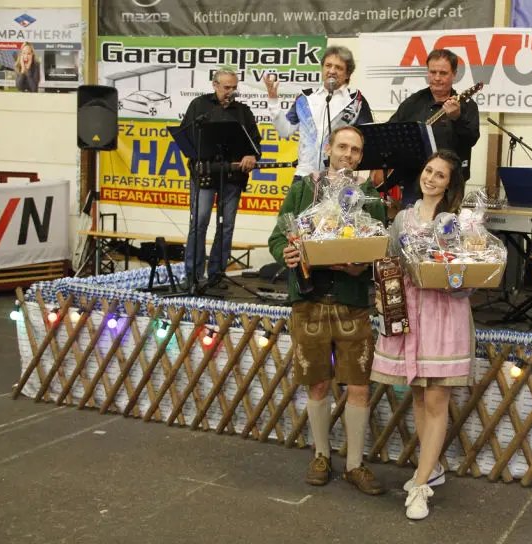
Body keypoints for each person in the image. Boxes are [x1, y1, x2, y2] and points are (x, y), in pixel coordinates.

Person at [267, 125, 387, 495]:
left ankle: (354, 464)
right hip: (309, 298)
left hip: (353, 302)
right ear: (329, 149)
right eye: (342, 147)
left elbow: (379, 250)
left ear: (360, 157)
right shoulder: (304, 188)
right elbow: (276, 237)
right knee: (317, 383)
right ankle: (321, 454)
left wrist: (361, 266)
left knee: (359, 386)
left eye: (355, 150)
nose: (348, 154)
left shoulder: (370, 197)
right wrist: (285, 253)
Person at [370, 149, 472, 520]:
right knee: (416, 392)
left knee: (436, 400)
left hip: (445, 315)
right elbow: (392, 266)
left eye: (440, 175)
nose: (431, 178)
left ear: (449, 185)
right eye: (428, 171)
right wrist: (385, 299)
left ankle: (421, 484)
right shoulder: (402, 219)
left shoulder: (457, 223)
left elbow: (467, 281)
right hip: (410, 313)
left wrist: (450, 281)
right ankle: (432, 467)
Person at [181, 69, 262, 289]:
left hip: (232, 175)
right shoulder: (199, 106)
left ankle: (217, 274)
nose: (231, 92)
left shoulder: (243, 111)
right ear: (215, 85)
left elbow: (255, 144)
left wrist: (251, 155)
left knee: (226, 226)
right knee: (199, 222)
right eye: (227, 87)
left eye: (234, 88)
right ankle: (193, 276)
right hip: (206, 173)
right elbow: (185, 137)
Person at [385, 49, 480, 206]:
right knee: (411, 226)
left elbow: (471, 139)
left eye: (443, 73)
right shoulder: (413, 103)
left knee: (444, 226)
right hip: (414, 181)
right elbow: (391, 132)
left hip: (450, 182)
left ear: (454, 74)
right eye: (432, 72)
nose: (437, 78)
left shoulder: (466, 106)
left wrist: (457, 118)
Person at [264, 45, 373, 182]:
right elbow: (285, 131)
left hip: (339, 177)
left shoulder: (355, 101)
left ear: (347, 74)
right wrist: (273, 101)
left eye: (338, 68)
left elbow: (367, 139)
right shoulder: (305, 98)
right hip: (304, 175)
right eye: (328, 65)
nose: (332, 71)